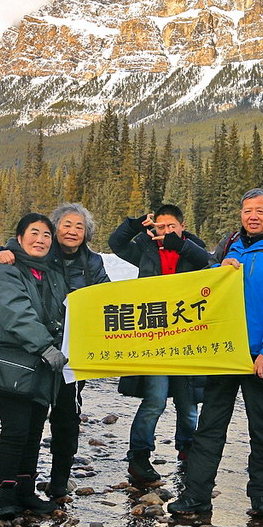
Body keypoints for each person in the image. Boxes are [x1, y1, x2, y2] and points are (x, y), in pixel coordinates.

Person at [169, 189, 263, 518]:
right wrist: (218, 267)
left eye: (259, 211)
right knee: (210, 428)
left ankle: (261, 497)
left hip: (260, 359)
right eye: (247, 210)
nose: (252, 216)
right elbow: (207, 289)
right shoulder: (230, 246)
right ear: (241, 215)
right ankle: (196, 497)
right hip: (224, 354)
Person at [0, 202, 109, 503]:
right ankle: (5, 497)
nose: (72, 231)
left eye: (79, 227)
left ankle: (52, 484)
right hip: (31, 357)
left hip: (68, 355)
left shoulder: (91, 263)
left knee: (58, 421)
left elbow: (105, 300)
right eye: (66, 225)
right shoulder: (32, 260)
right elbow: (17, 257)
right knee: (18, 428)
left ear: (87, 234)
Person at [108, 204, 210, 485]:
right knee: (155, 399)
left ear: (182, 225)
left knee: (188, 402)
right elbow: (115, 244)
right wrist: (133, 225)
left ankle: (187, 449)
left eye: (171, 227)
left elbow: (210, 264)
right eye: (161, 227)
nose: (165, 232)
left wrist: (181, 245)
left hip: (187, 336)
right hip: (152, 336)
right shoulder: (144, 247)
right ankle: (139, 456)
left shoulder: (194, 248)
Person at [0, 213, 68, 519]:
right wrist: (45, 346)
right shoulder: (7, 271)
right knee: (15, 430)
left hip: (43, 367)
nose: (41, 240)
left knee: (33, 431)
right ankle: (1, 495)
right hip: (12, 365)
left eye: (47, 235)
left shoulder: (51, 274)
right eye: (34, 233)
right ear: (19, 238)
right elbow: (15, 313)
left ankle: (25, 490)